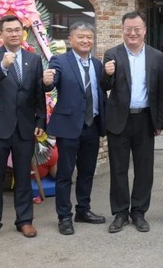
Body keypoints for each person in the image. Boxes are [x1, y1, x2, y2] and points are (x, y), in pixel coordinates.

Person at [0, 14, 46, 244]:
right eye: (9, 30)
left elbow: (38, 93)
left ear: (23, 32)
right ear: (1, 34)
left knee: (24, 177)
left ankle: (24, 220)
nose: (14, 34)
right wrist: (3, 66)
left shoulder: (33, 59)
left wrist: (40, 121)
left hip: (24, 128)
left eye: (18, 30)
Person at [101, 10, 163, 233]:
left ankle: (139, 212)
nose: (132, 33)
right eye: (128, 29)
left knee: (144, 169)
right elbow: (104, 86)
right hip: (119, 120)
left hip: (145, 119)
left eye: (137, 29)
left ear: (144, 30)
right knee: (118, 168)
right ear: (122, 30)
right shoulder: (112, 54)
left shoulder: (156, 56)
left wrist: (159, 122)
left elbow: (160, 92)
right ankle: (120, 212)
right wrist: (107, 74)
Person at [43, 22, 107, 235]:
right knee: (65, 174)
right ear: (71, 40)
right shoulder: (60, 61)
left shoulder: (97, 64)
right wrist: (46, 81)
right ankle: (64, 217)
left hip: (92, 125)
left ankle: (83, 210)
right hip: (69, 127)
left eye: (89, 37)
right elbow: (51, 83)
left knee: (87, 172)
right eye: (81, 37)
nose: (85, 40)